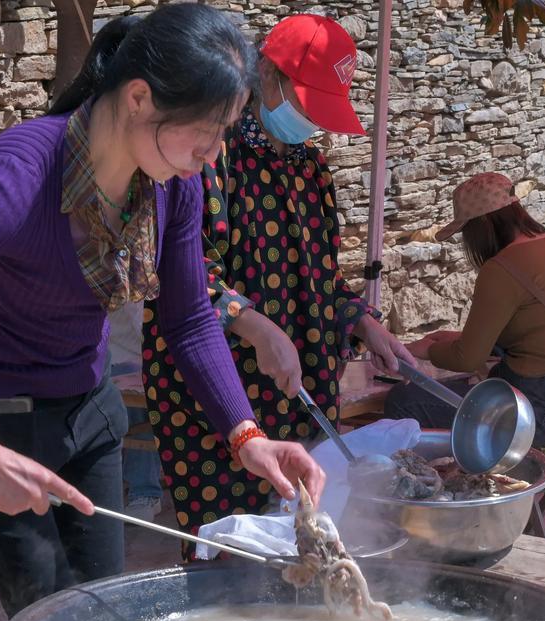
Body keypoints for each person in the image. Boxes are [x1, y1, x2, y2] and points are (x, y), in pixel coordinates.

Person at [0, 5, 324, 618]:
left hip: (90, 417)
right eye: (203, 133)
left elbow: (189, 319)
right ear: (140, 98)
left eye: (222, 134)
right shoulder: (20, 173)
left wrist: (247, 435)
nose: (211, 156)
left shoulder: (175, 185)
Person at [141, 14, 412, 545]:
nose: (313, 119)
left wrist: (363, 324)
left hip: (303, 388)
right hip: (214, 397)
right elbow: (181, 276)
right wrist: (256, 327)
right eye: (306, 101)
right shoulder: (210, 157)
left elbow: (323, 279)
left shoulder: (311, 169)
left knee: (303, 542)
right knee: (228, 546)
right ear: (267, 73)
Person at [389, 172, 545, 447]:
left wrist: (424, 349)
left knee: (404, 402)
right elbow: (536, 335)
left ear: (482, 225)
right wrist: (450, 340)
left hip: (542, 419)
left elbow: (466, 360)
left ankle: (437, 487)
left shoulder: (502, 268)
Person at [107, 301, 163, 520]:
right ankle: (141, 488)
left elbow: (148, 326)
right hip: (111, 355)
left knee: (142, 405)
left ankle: (145, 490)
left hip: (139, 357)